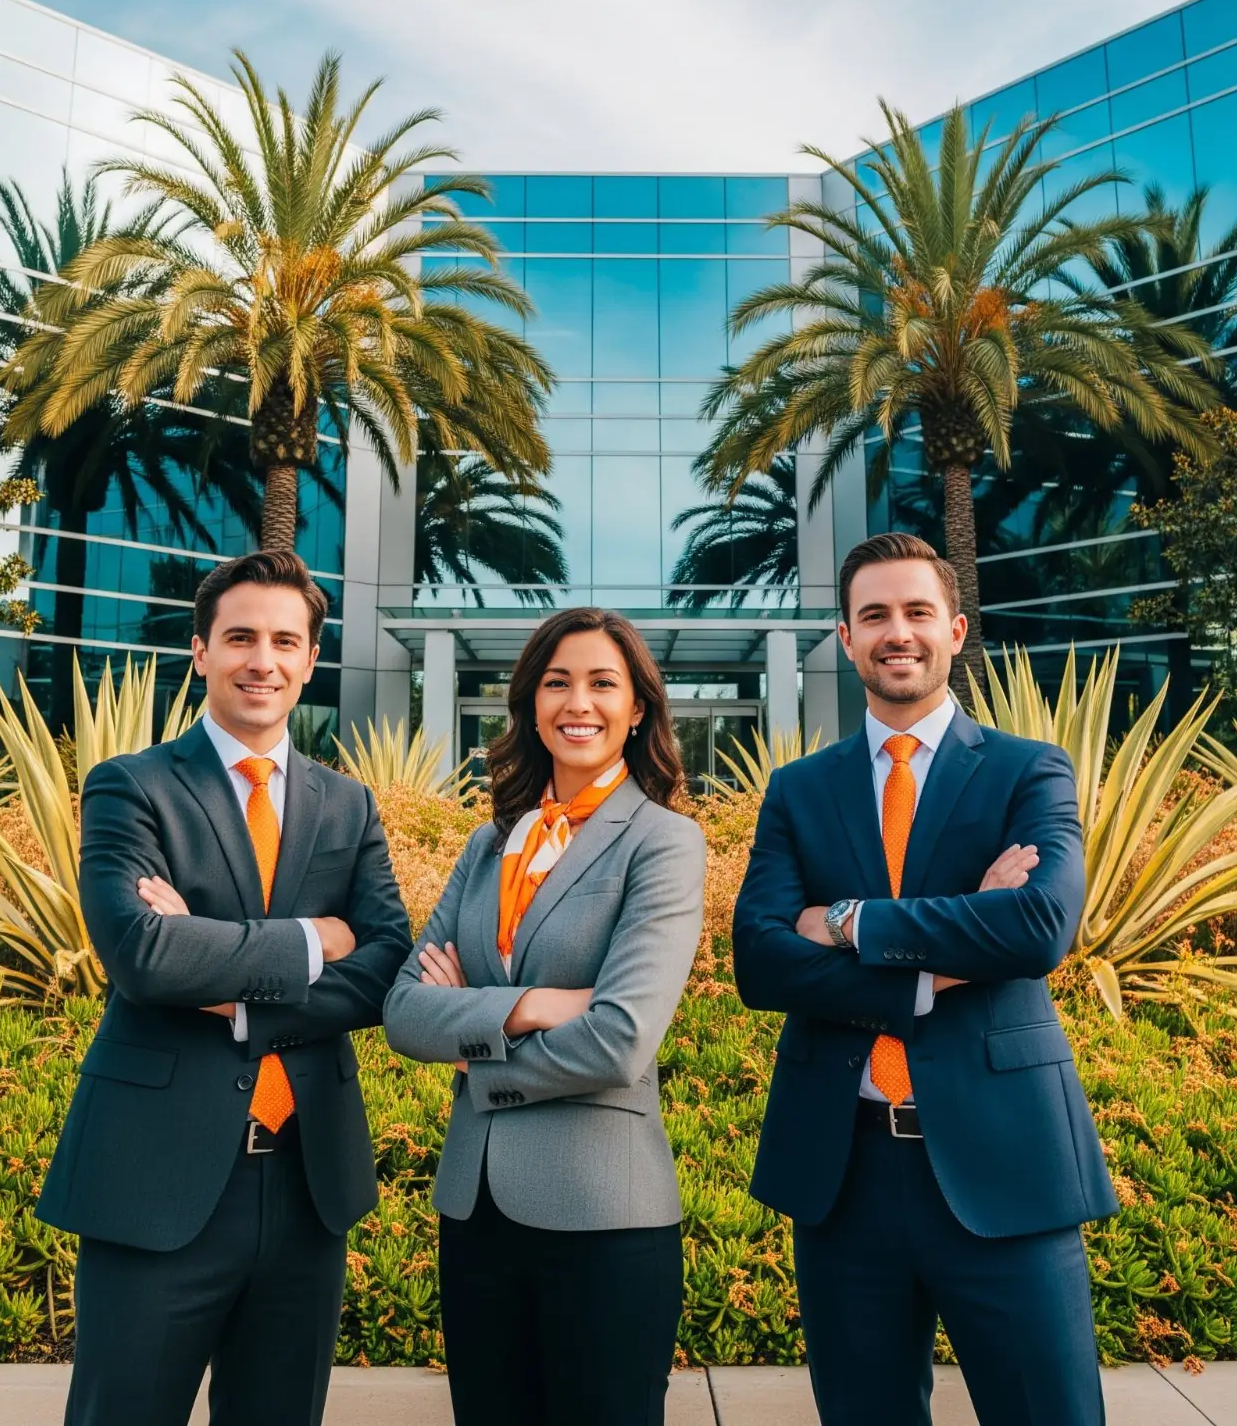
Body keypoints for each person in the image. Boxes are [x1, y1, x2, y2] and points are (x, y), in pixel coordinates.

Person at [733, 532, 1117, 1426]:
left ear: (955, 629)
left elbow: (1036, 927)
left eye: (916, 612)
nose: (896, 632)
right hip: (844, 1172)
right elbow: (760, 960)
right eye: (874, 616)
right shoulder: (797, 790)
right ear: (846, 638)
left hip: (1006, 1163)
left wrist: (847, 922)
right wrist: (942, 959)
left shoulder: (1029, 770)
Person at [39, 549, 412, 1426]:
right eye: (240, 637)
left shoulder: (348, 805)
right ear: (201, 651)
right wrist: (316, 939)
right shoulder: (130, 786)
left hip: (308, 1183)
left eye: (284, 641)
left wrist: (229, 988)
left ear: (311, 660)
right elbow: (144, 956)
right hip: (155, 1180)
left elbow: (387, 964)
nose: (262, 660)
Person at [383, 607, 705, 1426]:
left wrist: (476, 1047)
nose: (578, 703)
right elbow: (405, 1009)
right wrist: (531, 1006)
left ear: (638, 709)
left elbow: (620, 1040)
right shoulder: (490, 845)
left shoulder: (663, 842)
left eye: (603, 684)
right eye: (557, 683)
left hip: (604, 1214)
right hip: (477, 1214)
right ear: (531, 705)